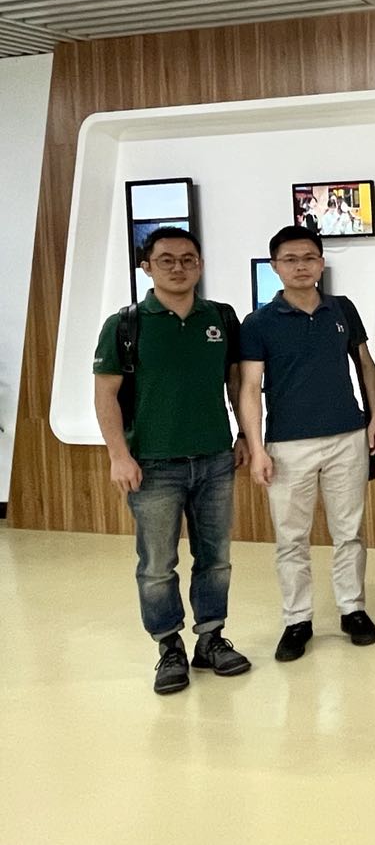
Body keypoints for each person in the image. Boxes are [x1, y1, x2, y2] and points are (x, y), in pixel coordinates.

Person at [92, 226, 252, 695]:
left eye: (187, 259)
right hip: (153, 465)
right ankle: (169, 647)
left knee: (216, 558)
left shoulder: (221, 318)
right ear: (147, 267)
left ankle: (211, 639)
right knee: (157, 564)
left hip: (215, 459)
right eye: (166, 260)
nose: (178, 267)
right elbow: (105, 395)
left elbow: (237, 383)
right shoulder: (125, 325)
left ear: (199, 265)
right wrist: (118, 455)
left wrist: (245, 435)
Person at [238, 226, 375, 662]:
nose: (300, 266)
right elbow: (250, 388)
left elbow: (365, 366)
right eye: (290, 259)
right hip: (288, 445)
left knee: (349, 532)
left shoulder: (342, 308)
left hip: (347, 436)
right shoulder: (258, 323)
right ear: (275, 266)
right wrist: (256, 447)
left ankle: (353, 610)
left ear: (321, 263)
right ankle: (297, 620)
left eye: (308, 258)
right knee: (291, 538)